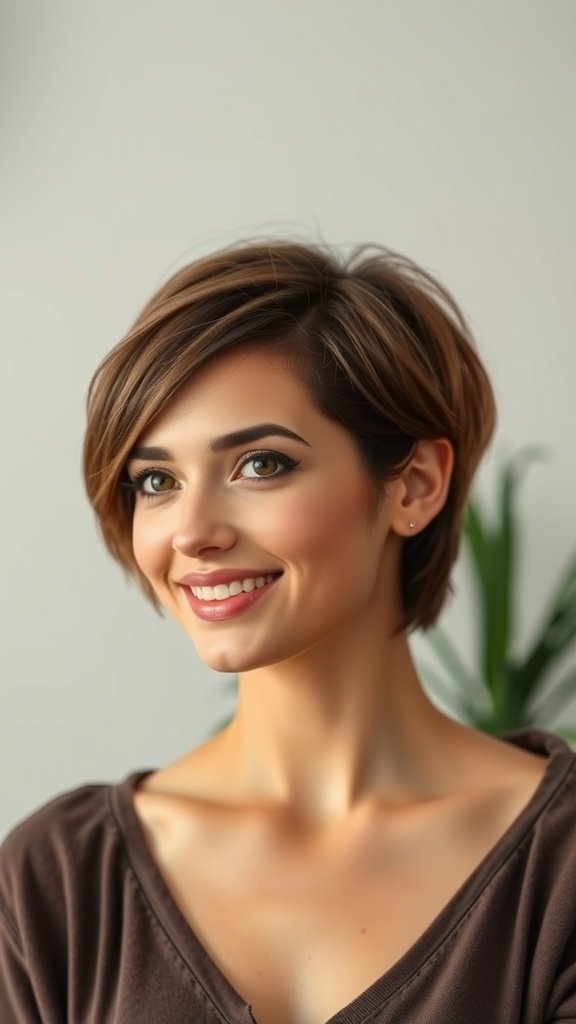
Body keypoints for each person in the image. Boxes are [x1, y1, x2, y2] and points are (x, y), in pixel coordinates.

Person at [1, 240, 575, 1024]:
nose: (191, 533)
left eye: (261, 465)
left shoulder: (561, 867)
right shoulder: (59, 880)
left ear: (414, 485)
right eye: (157, 482)